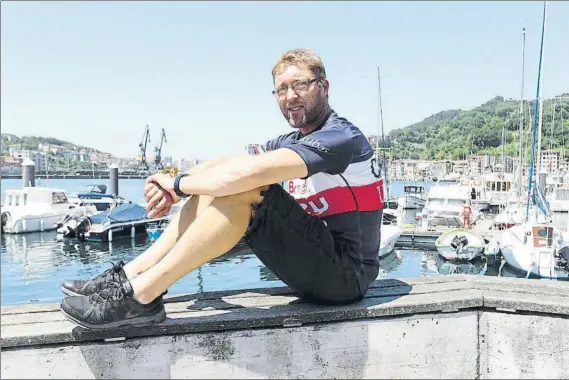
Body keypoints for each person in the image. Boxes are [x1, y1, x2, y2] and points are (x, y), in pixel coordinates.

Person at [59, 48, 385, 330]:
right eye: (281, 89)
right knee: (220, 183)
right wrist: (177, 183)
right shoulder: (291, 141)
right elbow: (227, 164)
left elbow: (247, 174)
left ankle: (142, 297)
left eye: (299, 84)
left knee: (251, 189)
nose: (289, 96)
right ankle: (130, 277)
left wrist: (178, 186)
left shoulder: (341, 138)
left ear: (323, 87)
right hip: (318, 266)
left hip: (346, 277)